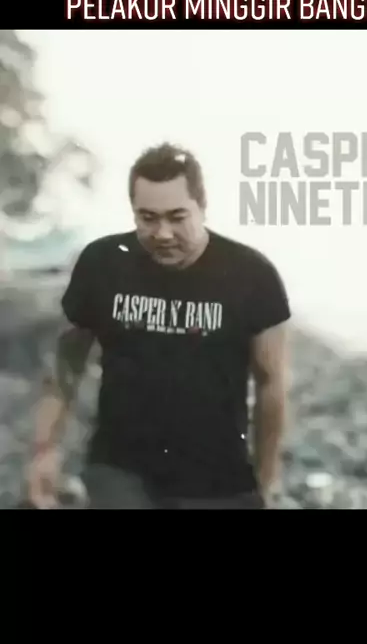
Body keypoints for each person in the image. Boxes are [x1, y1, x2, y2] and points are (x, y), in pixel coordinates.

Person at [26, 142, 291, 509]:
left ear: (202, 206)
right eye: (148, 218)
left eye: (177, 217)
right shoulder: (102, 264)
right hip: (119, 469)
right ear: (133, 209)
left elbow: (271, 384)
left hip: (218, 478)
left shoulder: (252, 275)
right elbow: (66, 365)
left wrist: (267, 479)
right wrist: (45, 452)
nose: (163, 233)